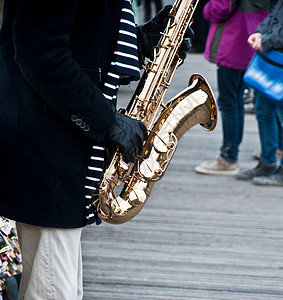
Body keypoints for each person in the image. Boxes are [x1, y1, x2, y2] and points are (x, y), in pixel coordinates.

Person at [0, 1, 191, 298]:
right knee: (54, 292)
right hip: (48, 152)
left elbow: (84, 40)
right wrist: (106, 121)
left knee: (63, 290)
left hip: (60, 150)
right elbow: (40, 53)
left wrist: (141, 41)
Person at [194, 0, 269, 176]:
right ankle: (275, 150)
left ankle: (229, 158)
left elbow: (217, 9)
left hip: (235, 42)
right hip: (260, 40)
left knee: (230, 102)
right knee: (266, 102)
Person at [236, 0, 283, 186]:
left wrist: (268, 40)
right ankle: (268, 162)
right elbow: (275, 13)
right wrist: (260, 32)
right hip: (275, 53)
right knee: (263, 110)